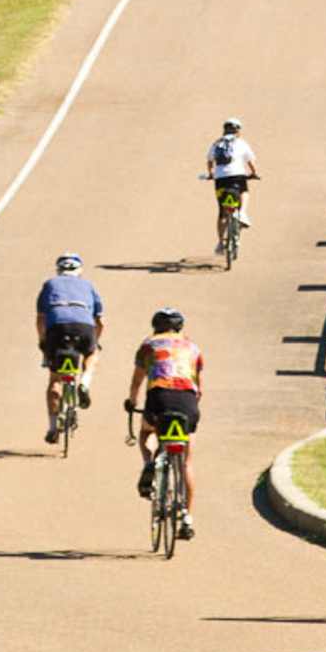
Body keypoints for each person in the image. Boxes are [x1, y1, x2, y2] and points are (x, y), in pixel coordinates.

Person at [126, 307, 202, 536]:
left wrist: (131, 401)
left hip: (159, 398)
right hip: (187, 402)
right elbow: (199, 386)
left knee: (146, 433)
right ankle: (187, 518)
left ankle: (149, 462)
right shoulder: (192, 347)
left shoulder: (149, 345)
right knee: (187, 461)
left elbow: (137, 380)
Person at [35, 253, 103, 444]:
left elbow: (40, 318)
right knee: (92, 353)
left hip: (56, 329)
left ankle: (52, 427)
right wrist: (95, 341)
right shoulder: (88, 286)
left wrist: (42, 341)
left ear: (58, 270)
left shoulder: (49, 285)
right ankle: (85, 381)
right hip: (84, 327)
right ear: (79, 271)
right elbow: (101, 320)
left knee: (54, 380)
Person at [205, 116, 259, 253]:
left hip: (220, 180)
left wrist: (211, 174)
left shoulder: (216, 143)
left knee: (222, 212)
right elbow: (250, 161)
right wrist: (254, 173)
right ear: (238, 130)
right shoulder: (241, 143)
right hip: (237, 177)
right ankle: (242, 213)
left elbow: (209, 161)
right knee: (244, 192)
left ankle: (220, 243)